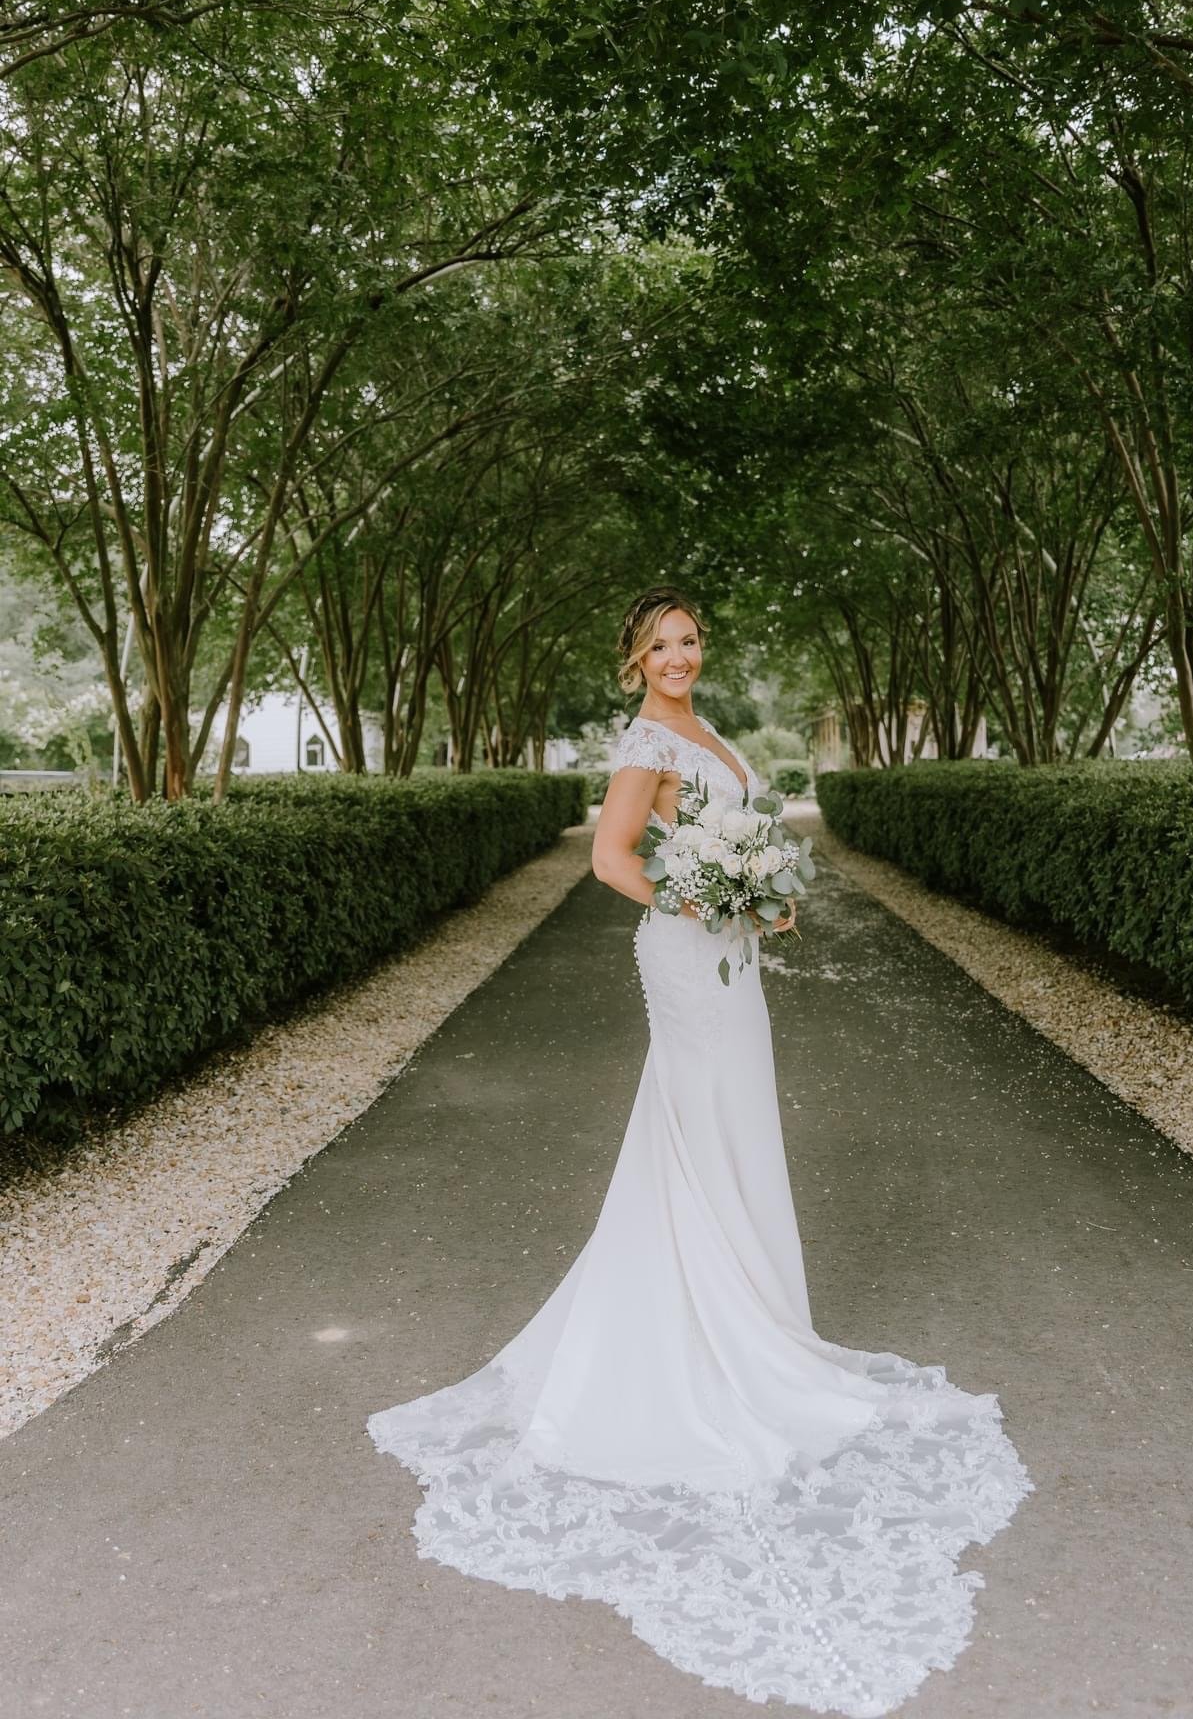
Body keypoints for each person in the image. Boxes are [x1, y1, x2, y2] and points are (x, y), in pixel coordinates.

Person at [367, 585, 1033, 1717]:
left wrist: (757, 893)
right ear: (632, 658)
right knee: (695, 1123)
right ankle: (696, 1339)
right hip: (683, 956)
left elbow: (733, 833)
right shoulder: (641, 737)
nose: (679, 655)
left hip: (726, 951)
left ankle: (747, 1315)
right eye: (660, 644)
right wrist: (702, 892)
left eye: (690, 640)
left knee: (727, 1127)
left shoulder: (709, 732)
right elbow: (615, 858)